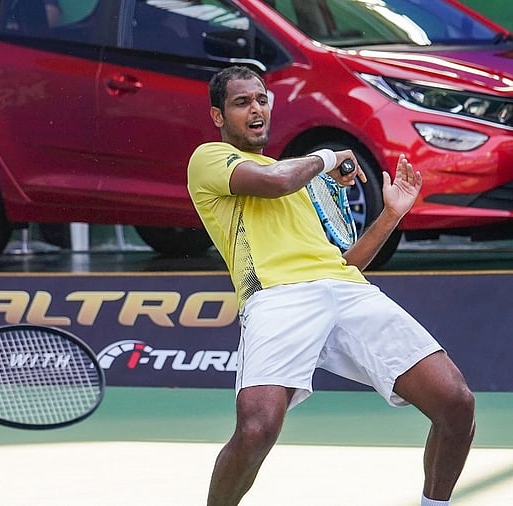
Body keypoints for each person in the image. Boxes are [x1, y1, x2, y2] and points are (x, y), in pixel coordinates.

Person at [187, 65, 475, 506]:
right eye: (241, 102)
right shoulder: (209, 160)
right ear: (218, 116)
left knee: (456, 403)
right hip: (276, 296)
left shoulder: (302, 183)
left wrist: (392, 214)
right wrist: (327, 155)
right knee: (256, 429)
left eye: (261, 99)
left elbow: (346, 262)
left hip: (344, 289)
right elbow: (275, 180)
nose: (255, 109)